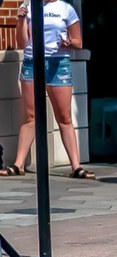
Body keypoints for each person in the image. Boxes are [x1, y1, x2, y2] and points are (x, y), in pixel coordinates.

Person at [0, 0, 96, 180]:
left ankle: (76, 166)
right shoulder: (28, 5)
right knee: (30, 116)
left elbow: (78, 42)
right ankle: (19, 164)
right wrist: (20, 21)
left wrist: (68, 42)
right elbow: (22, 42)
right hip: (32, 62)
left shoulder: (66, 9)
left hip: (57, 62)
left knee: (64, 117)